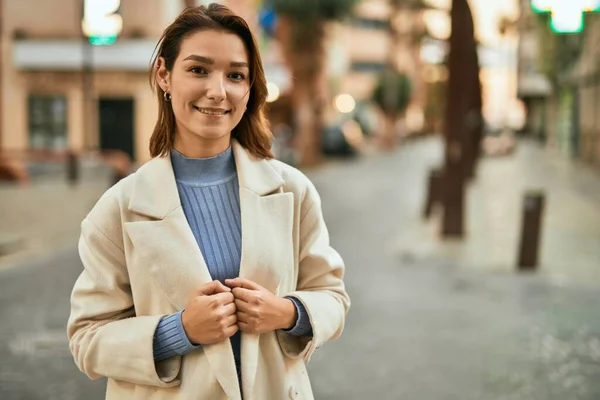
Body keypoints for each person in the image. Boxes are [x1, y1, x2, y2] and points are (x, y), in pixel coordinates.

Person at [67, 4, 350, 400]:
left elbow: (332, 296)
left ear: (249, 89)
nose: (218, 91)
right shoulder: (118, 208)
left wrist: (287, 313)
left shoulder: (292, 190)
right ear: (164, 75)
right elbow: (87, 338)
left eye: (235, 75)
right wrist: (179, 330)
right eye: (198, 70)